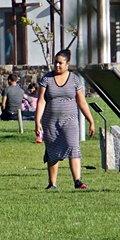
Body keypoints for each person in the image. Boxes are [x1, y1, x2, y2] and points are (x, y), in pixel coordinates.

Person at [35, 49, 96, 190]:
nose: (57, 65)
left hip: (70, 120)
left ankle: (77, 181)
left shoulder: (74, 79)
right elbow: (41, 101)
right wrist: (37, 121)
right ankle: (52, 183)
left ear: (67, 64)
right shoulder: (46, 79)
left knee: (73, 146)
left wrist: (91, 121)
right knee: (52, 150)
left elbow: (82, 102)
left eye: (60, 63)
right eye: (55, 62)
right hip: (50, 121)